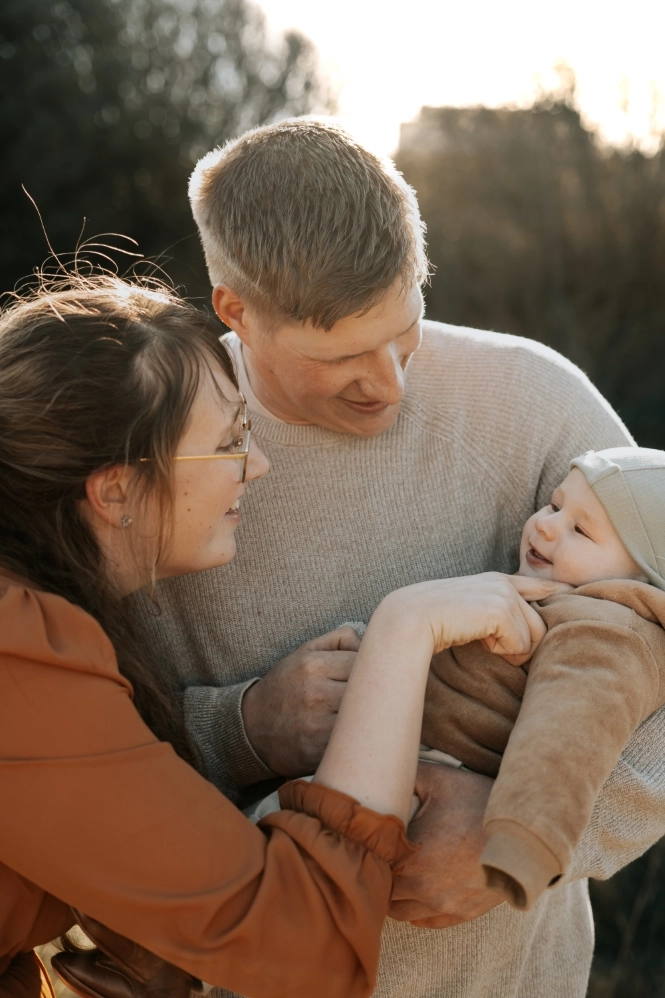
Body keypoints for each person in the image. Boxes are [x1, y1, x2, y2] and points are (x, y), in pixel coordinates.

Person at [130, 118, 665, 998]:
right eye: (340, 356)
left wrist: (529, 840)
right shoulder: (159, 462)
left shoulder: (537, 399)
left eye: (405, 331)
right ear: (234, 310)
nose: (390, 384)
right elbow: (91, 739)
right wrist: (244, 725)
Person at [0, 272, 558, 998]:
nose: (256, 466)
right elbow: (306, 946)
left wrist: (248, 729)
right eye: (230, 442)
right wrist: (403, 629)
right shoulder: (21, 654)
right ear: (116, 491)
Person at [256, 448, 665, 914]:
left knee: (280, 885)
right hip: (392, 762)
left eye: (581, 529)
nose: (546, 525)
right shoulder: (562, 601)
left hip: (431, 784)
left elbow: (566, 737)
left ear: (644, 576)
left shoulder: (608, 633)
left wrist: (524, 840)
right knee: (262, 868)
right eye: (554, 506)